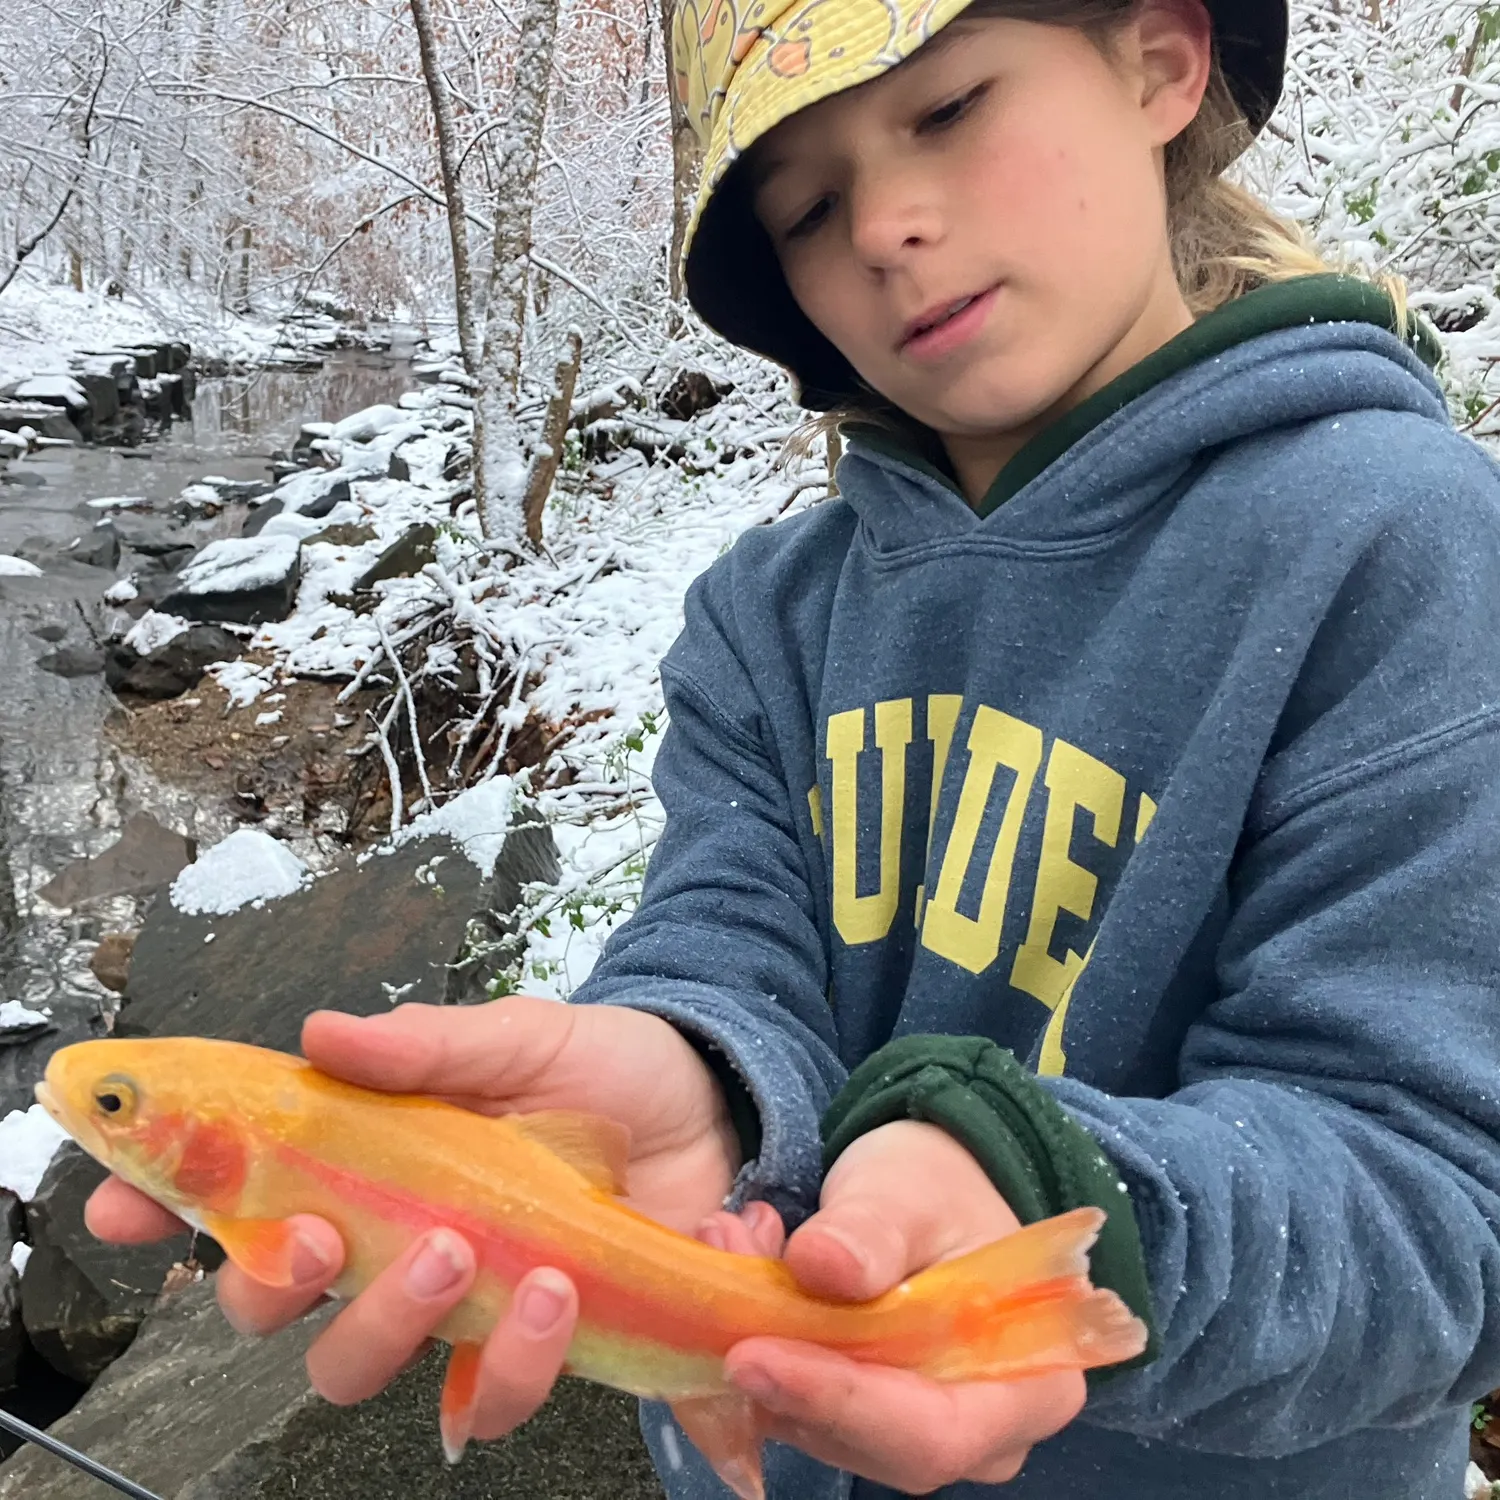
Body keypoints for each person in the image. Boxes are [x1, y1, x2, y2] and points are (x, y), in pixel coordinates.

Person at [88, 0, 1500, 1493]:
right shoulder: (766, 617)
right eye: (809, 206)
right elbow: (724, 931)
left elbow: (1440, 1190)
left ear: (1161, 61)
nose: (885, 225)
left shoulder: (1404, 550)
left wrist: (1037, 1189)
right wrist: (689, 1061)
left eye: (950, 109)